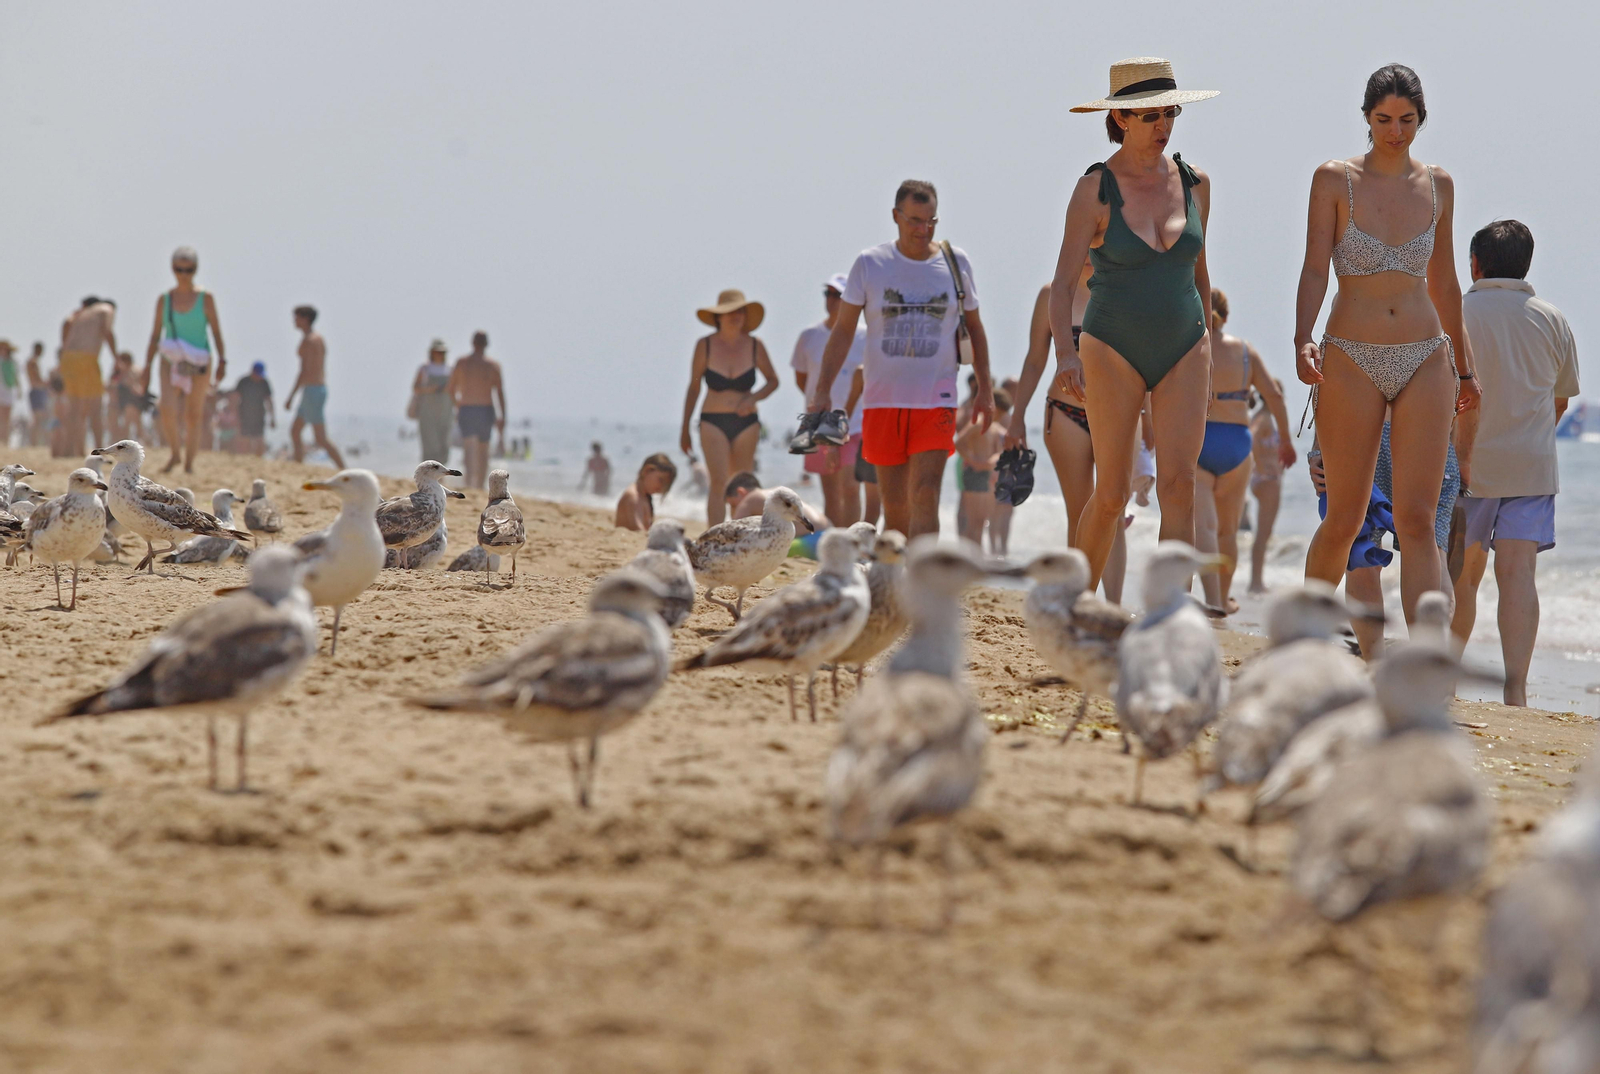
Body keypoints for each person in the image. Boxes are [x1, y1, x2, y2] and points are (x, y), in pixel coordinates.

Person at [1294, 65, 1479, 626]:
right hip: (1351, 354)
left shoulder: (1439, 185)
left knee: (1418, 522)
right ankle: (1300, 638)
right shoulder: (1335, 179)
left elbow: (1445, 282)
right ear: (1367, 118)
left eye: (1406, 120)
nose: (1395, 131)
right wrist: (1303, 338)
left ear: (1421, 119)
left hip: (1425, 356)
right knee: (1345, 517)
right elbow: (1314, 268)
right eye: (1383, 120)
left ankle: (1426, 662)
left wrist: (1465, 368)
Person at [1049, 58, 1219, 588]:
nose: (1163, 125)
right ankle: (1074, 607)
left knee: (1180, 486)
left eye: (1170, 113)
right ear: (1121, 118)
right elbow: (1061, 285)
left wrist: (1209, 347)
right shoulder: (1094, 189)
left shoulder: (1195, 183)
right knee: (1111, 495)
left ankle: (1169, 615)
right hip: (1111, 345)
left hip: (1185, 343)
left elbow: (1201, 275)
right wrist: (1065, 355)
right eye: (1150, 115)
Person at [805, 180, 994, 539]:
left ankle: (922, 574)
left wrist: (985, 388)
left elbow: (975, 327)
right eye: (914, 221)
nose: (924, 230)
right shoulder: (870, 264)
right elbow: (843, 331)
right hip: (882, 401)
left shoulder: (956, 263)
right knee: (894, 508)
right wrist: (823, 390)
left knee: (925, 493)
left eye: (931, 221)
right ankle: (898, 571)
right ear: (896, 216)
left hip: (936, 398)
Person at [1450, 220, 1579, 707]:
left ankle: (1447, 680)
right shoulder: (1552, 318)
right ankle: (1516, 690)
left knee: (1463, 577)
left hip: (1467, 463)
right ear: (1526, 264)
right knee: (1519, 575)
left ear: (1475, 264)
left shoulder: (1455, 313)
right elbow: (1560, 401)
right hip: (1531, 465)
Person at [1007, 265, 1134, 600]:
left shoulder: (1127, 288)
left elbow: (1142, 359)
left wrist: (1149, 419)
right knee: (1079, 512)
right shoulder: (1052, 294)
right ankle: (1075, 599)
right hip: (1066, 413)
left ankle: (1113, 606)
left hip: (1118, 414)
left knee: (1113, 507)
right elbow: (1035, 360)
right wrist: (1017, 417)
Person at [1193, 289, 1295, 612]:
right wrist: (1286, 441)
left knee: (1205, 528)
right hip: (1237, 443)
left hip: (1200, 438)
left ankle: (1212, 600)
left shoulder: (1191, 347)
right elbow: (1274, 396)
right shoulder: (1245, 352)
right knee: (1228, 532)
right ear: (1227, 316)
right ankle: (1224, 599)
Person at [679, 289, 779, 526]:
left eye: (740, 311)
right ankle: (714, 534)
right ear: (718, 317)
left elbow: (773, 381)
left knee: (743, 484)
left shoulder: (755, 345)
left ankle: (743, 534)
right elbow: (694, 387)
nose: (736, 316)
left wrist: (752, 399)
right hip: (712, 420)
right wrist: (684, 428)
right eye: (730, 311)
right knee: (719, 482)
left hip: (747, 423)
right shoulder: (705, 345)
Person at [790, 274, 867, 526]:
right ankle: (833, 542)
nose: (832, 300)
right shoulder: (809, 335)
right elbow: (802, 379)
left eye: (838, 295)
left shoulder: (866, 336)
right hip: (820, 421)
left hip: (856, 421)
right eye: (828, 294)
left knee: (851, 486)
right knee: (831, 492)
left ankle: (852, 542)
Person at [144, 246, 226, 474]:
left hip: (200, 361)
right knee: (167, 408)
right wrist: (147, 366)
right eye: (179, 269)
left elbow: (216, 332)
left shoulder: (206, 298)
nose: (183, 274)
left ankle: (189, 463)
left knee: (193, 414)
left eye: (188, 270)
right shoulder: (165, 300)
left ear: (195, 270)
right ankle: (175, 454)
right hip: (170, 360)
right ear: (172, 269)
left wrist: (223, 360)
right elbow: (155, 334)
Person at [282, 305, 345, 469]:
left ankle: (344, 469)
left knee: (320, 438)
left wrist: (290, 397)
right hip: (314, 390)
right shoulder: (316, 339)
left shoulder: (310, 341)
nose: (294, 321)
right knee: (295, 431)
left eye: (297, 317)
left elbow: (304, 371)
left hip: (313, 391)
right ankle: (298, 466)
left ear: (306, 319)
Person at [60, 295, 117, 456]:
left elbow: (66, 324)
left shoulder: (81, 314)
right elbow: (107, 331)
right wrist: (116, 358)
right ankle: (100, 451)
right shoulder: (107, 309)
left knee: (75, 409)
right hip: (86, 358)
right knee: (95, 408)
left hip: (68, 358)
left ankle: (69, 451)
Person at [448, 330, 506, 489]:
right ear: (486, 344)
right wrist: (502, 416)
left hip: (471, 408)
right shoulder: (492, 365)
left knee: (471, 448)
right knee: (481, 449)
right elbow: (500, 393)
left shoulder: (463, 363)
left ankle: (472, 483)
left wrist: (458, 404)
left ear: (473, 343)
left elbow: (451, 389)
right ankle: (477, 484)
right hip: (482, 409)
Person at [956, 388, 1011, 549]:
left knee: (981, 521)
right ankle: (969, 554)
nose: (1001, 417)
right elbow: (959, 443)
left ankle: (977, 554)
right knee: (974, 521)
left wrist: (992, 461)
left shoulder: (993, 426)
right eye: (1000, 413)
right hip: (974, 474)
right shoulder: (978, 423)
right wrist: (973, 461)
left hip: (986, 474)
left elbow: (1000, 451)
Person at [1247, 381, 1289, 594]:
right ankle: (1256, 583)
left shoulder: (1263, 417)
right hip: (1267, 479)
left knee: (1264, 533)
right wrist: (1262, 464)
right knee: (1263, 534)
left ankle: (1256, 580)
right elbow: (1251, 438)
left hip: (1264, 478)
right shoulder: (1263, 419)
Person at [725, 470, 830, 530]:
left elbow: (734, 531)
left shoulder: (750, 499)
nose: (732, 512)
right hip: (827, 532)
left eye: (733, 505)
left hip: (809, 541)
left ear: (741, 492)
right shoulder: (775, 492)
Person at [411, 339, 454, 464]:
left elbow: (455, 389)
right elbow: (416, 388)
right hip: (427, 413)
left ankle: (442, 471)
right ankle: (428, 472)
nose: (440, 355)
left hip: (446, 412)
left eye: (443, 352)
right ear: (432, 352)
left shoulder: (450, 369)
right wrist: (432, 389)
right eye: (438, 352)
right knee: (430, 444)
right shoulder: (425, 368)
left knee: (444, 443)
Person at [614, 453, 677, 531]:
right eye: (661, 480)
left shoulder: (645, 497)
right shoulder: (633, 497)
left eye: (666, 485)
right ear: (647, 470)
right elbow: (638, 530)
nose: (662, 487)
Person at [231, 362, 274, 456]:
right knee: (244, 439)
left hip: (259, 415)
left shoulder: (264, 383)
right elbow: (235, 398)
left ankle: (259, 459)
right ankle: (245, 459)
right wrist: (234, 415)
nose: (259, 377)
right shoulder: (243, 382)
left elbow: (269, 401)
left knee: (259, 439)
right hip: (244, 414)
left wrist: (272, 418)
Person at [108, 352, 146, 441]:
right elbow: (110, 387)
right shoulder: (117, 373)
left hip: (133, 402)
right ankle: (115, 439)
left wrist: (129, 382)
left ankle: (130, 438)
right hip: (118, 402)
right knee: (112, 412)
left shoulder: (135, 371)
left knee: (130, 413)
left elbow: (139, 389)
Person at [26, 342, 49, 447]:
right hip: (36, 391)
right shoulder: (33, 362)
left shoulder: (32, 361)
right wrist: (47, 384)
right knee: (37, 419)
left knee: (38, 419)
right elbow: (37, 379)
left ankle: (34, 443)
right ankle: (33, 443)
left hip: (36, 391)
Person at [0, 341, 17, 446]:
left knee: (7, 418)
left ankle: (6, 440)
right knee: (1, 417)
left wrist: (19, 389)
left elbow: (16, 377)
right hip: (1, 392)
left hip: (9, 392)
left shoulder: (12, 362)